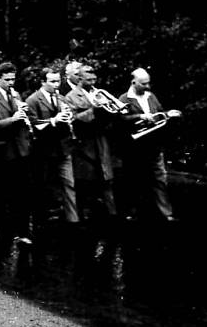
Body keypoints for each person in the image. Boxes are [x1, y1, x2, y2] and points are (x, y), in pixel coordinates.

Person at [0, 62, 34, 245]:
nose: (11, 83)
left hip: (20, 150)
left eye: (13, 79)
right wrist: (13, 119)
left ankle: (22, 232)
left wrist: (24, 114)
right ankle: (0, 231)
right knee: (0, 195)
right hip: (1, 152)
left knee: (22, 193)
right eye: (7, 80)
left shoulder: (16, 94)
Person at [117, 68, 177, 221]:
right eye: (144, 84)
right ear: (133, 82)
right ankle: (131, 212)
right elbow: (120, 121)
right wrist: (141, 116)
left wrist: (168, 114)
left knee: (160, 179)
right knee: (133, 180)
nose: (148, 86)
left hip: (153, 145)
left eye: (148, 83)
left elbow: (160, 112)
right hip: (134, 148)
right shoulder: (124, 99)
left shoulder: (151, 96)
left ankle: (166, 213)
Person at [65, 64, 118, 221]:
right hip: (84, 143)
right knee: (87, 181)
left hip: (101, 140)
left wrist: (109, 109)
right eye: (88, 77)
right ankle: (87, 216)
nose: (93, 80)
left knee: (107, 178)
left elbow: (112, 116)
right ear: (80, 78)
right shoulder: (71, 96)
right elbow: (73, 119)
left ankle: (112, 215)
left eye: (94, 77)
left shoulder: (100, 93)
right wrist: (93, 109)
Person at [26, 68, 79, 223]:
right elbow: (34, 125)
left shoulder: (61, 98)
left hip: (63, 148)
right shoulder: (33, 100)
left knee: (69, 184)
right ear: (43, 82)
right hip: (44, 150)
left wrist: (69, 118)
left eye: (58, 81)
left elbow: (71, 117)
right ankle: (41, 222)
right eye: (52, 82)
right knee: (43, 187)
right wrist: (54, 120)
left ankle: (73, 220)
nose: (56, 85)